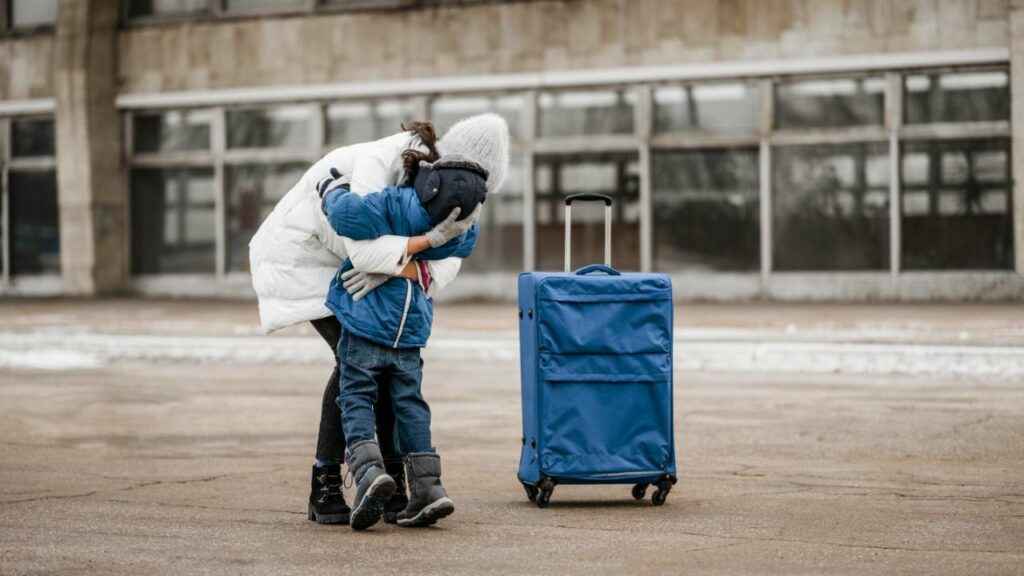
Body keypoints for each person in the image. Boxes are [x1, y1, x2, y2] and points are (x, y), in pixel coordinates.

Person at [247, 114, 510, 525]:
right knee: (355, 362)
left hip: (360, 263)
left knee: (383, 366)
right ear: (453, 163)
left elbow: (450, 261)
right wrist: (418, 249)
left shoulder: (454, 189)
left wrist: (407, 265)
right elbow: (363, 248)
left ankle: (393, 484)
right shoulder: (381, 163)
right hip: (307, 253)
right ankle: (327, 484)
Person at [320, 155, 486, 529]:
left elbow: (347, 216)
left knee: (356, 396)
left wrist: (332, 191)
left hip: (367, 319)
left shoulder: (397, 202)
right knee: (410, 404)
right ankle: (428, 488)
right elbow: (460, 251)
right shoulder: (462, 228)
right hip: (411, 329)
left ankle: (368, 474)